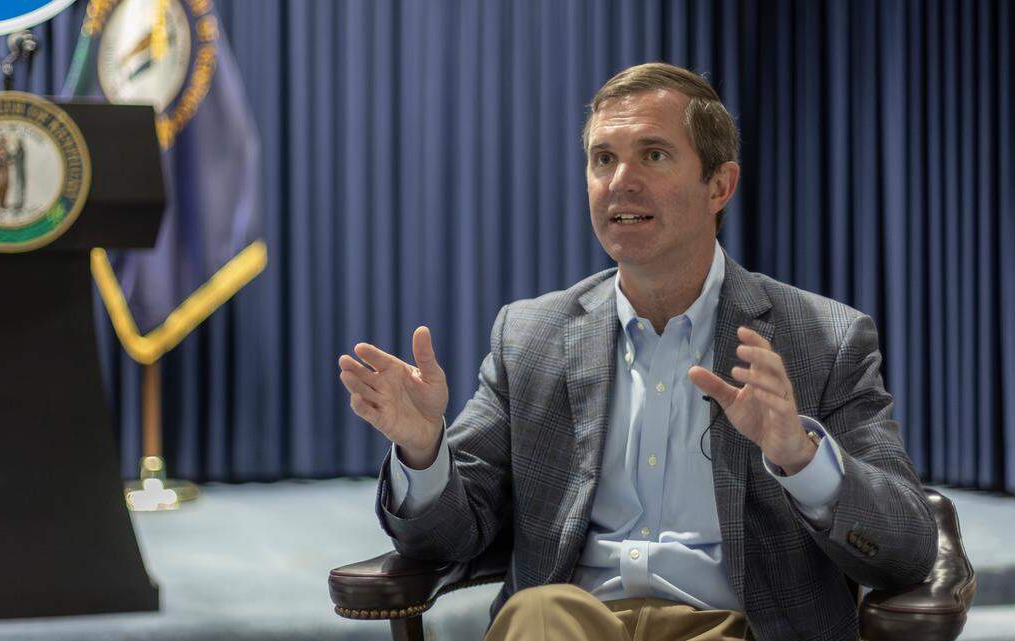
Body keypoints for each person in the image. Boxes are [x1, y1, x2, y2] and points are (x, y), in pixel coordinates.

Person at [337, 62, 937, 641]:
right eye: (604, 159)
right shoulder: (530, 337)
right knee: (540, 612)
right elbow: (447, 538)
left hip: (735, 627)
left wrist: (800, 457)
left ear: (719, 186)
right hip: (568, 626)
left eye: (653, 155)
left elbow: (907, 549)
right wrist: (423, 450)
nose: (621, 180)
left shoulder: (823, 339)